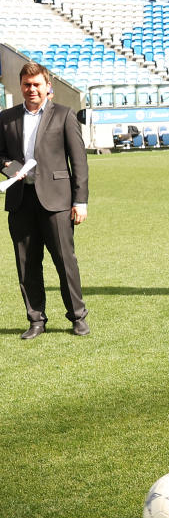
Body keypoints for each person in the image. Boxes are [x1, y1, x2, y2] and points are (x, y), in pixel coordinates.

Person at [0, 62, 89, 339]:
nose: (32, 89)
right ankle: (36, 320)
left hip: (57, 202)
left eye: (37, 84)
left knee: (65, 261)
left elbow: (79, 161)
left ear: (47, 86)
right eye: (27, 84)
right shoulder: (5, 118)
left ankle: (77, 316)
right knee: (26, 264)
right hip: (20, 201)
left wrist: (80, 200)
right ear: (21, 86)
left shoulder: (64, 115)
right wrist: (13, 170)